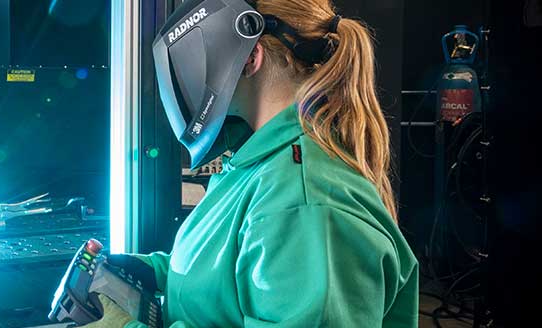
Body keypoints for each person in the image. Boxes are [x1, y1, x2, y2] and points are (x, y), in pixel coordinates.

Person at [83, 0, 418, 326]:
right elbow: (226, 277)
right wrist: (152, 272)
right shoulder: (257, 165)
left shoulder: (305, 203)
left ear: (250, 57)